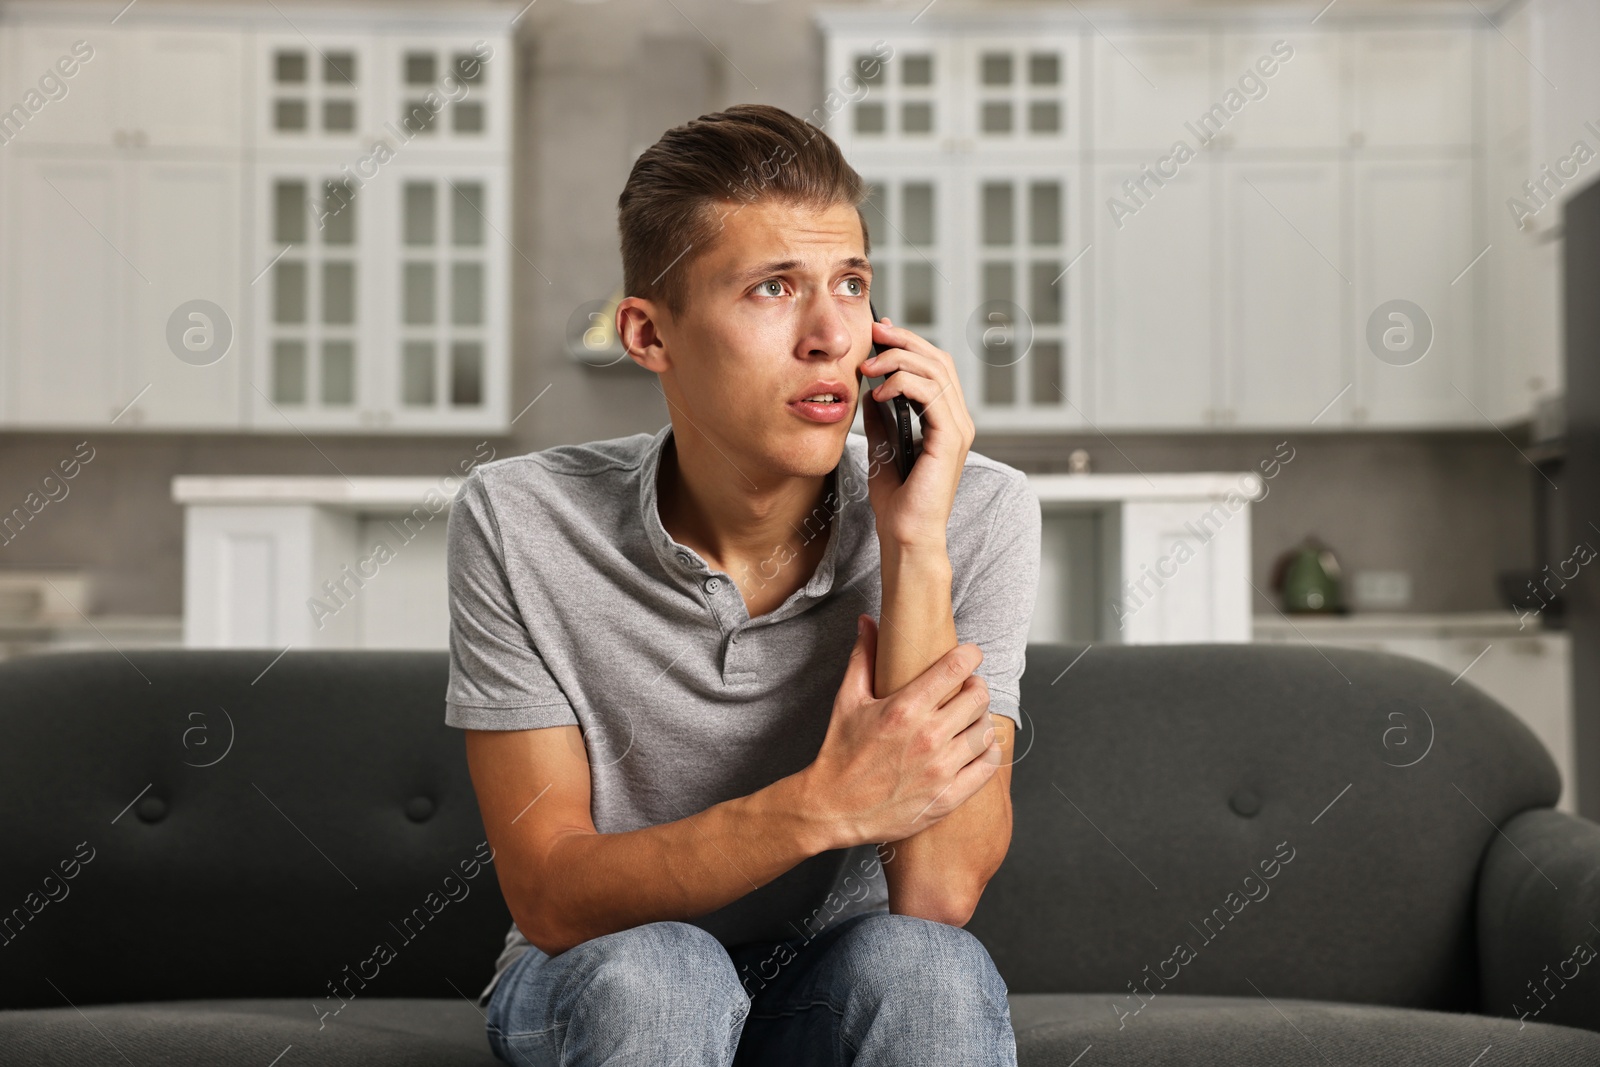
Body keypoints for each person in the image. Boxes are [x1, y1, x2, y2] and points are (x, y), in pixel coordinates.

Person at [444, 102, 1041, 1066]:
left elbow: (937, 894)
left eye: (851, 283)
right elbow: (551, 895)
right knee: (667, 973)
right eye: (772, 288)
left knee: (928, 968)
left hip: (833, 982)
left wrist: (914, 542)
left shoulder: (972, 509)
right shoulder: (520, 518)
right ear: (649, 334)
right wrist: (823, 805)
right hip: (603, 976)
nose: (831, 336)